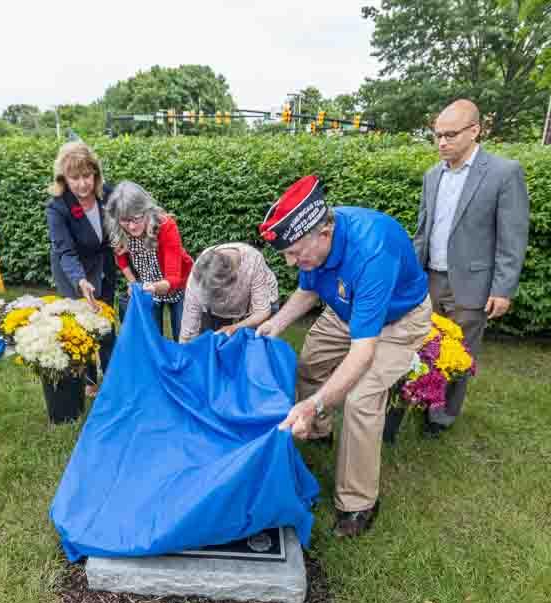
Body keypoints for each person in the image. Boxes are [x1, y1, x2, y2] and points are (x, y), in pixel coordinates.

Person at [256, 176, 431, 538]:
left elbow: (362, 352)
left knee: (361, 399)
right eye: (286, 254)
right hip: (348, 308)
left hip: (398, 320)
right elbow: (306, 292)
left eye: (295, 253)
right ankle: (319, 434)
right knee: (311, 362)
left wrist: (315, 403)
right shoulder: (314, 247)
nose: (290, 263)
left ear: (324, 233)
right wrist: (276, 323)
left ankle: (358, 503)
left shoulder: (371, 252)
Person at [414, 99, 530, 437]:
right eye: (436, 135)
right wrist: (410, 274)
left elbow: (513, 237)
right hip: (431, 279)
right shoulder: (432, 175)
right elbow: (423, 231)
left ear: (475, 131)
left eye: (450, 135)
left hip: (473, 285)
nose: (442, 142)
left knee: (459, 353)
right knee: (426, 344)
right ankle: (423, 400)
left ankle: (443, 417)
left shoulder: (504, 173)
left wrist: (502, 289)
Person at [46, 141, 116, 397]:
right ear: (64, 178)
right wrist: (80, 280)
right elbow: (65, 251)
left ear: (95, 174)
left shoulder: (108, 194)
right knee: (81, 325)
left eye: (87, 176)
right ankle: (88, 380)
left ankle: (111, 376)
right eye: (75, 178)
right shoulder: (57, 207)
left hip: (104, 265)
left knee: (106, 321)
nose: (82, 184)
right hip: (73, 270)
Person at [104, 181, 193, 342]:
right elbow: (121, 259)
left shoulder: (166, 226)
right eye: (125, 220)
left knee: (183, 336)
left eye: (136, 219)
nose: (131, 226)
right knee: (151, 338)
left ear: (146, 211)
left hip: (180, 285)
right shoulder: (118, 227)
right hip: (148, 286)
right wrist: (133, 283)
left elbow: (173, 277)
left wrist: (153, 287)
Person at [179, 243, 279, 344]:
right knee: (213, 344)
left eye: (217, 296)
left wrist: (235, 327)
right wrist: (184, 349)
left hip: (256, 308)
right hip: (219, 311)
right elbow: (189, 326)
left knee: (252, 347)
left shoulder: (253, 261)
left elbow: (262, 311)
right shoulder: (201, 272)